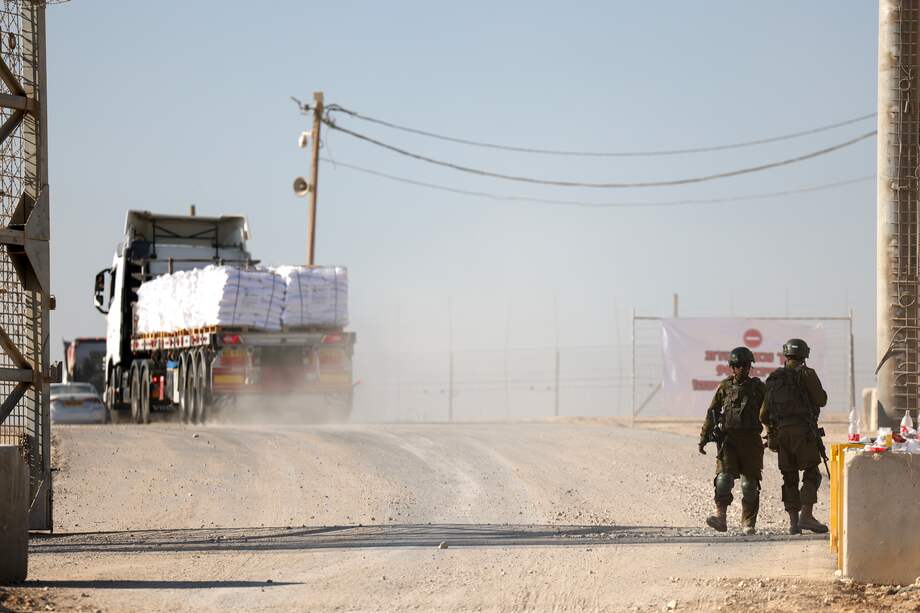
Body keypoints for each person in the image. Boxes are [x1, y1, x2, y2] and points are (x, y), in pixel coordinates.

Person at [759, 338, 828, 534]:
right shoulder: (808, 374)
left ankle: (793, 523)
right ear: (804, 356)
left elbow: (763, 414)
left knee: (789, 478)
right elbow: (821, 400)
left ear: (786, 355)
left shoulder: (775, 378)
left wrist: (771, 433)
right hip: (804, 432)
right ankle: (806, 516)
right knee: (812, 473)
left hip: (782, 435)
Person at [698, 346, 765, 535]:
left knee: (749, 485)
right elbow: (712, 414)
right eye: (739, 366)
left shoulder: (759, 389)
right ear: (732, 367)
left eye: (746, 365)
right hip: (729, 441)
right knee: (723, 480)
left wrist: (774, 436)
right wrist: (704, 438)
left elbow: (769, 413)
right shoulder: (724, 387)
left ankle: (748, 523)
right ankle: (720, 517)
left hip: (751, 442)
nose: (743, 369)